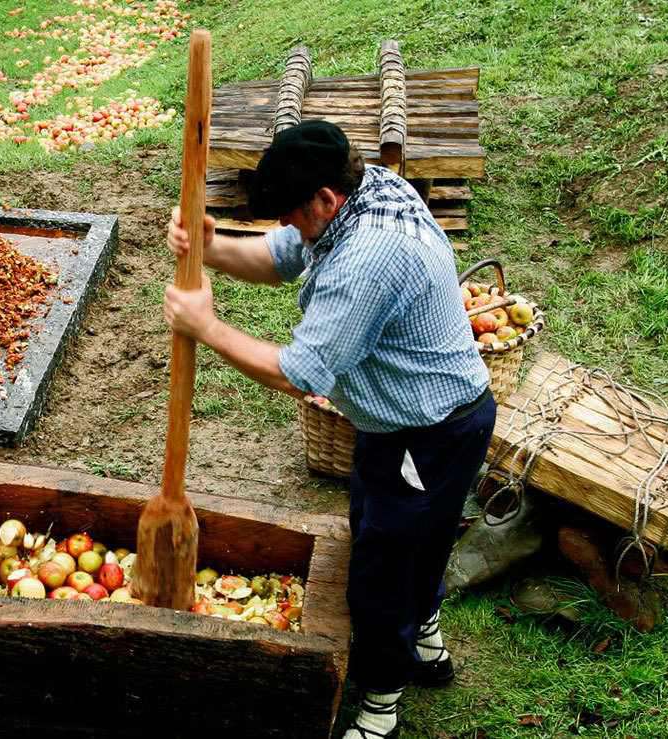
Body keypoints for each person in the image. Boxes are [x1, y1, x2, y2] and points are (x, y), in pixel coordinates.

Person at [161, 120, 495, 739]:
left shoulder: (370, 257)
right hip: (405, 424)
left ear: (324, 199)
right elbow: (280, 255)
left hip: (427, 433)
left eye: (292, 212)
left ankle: (382, 703)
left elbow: (301, 372)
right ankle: (423, 636)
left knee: (380, 568)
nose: (287, 225)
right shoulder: (367, 192)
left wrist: (206, 327)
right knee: (399, 534)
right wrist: (211, 248)